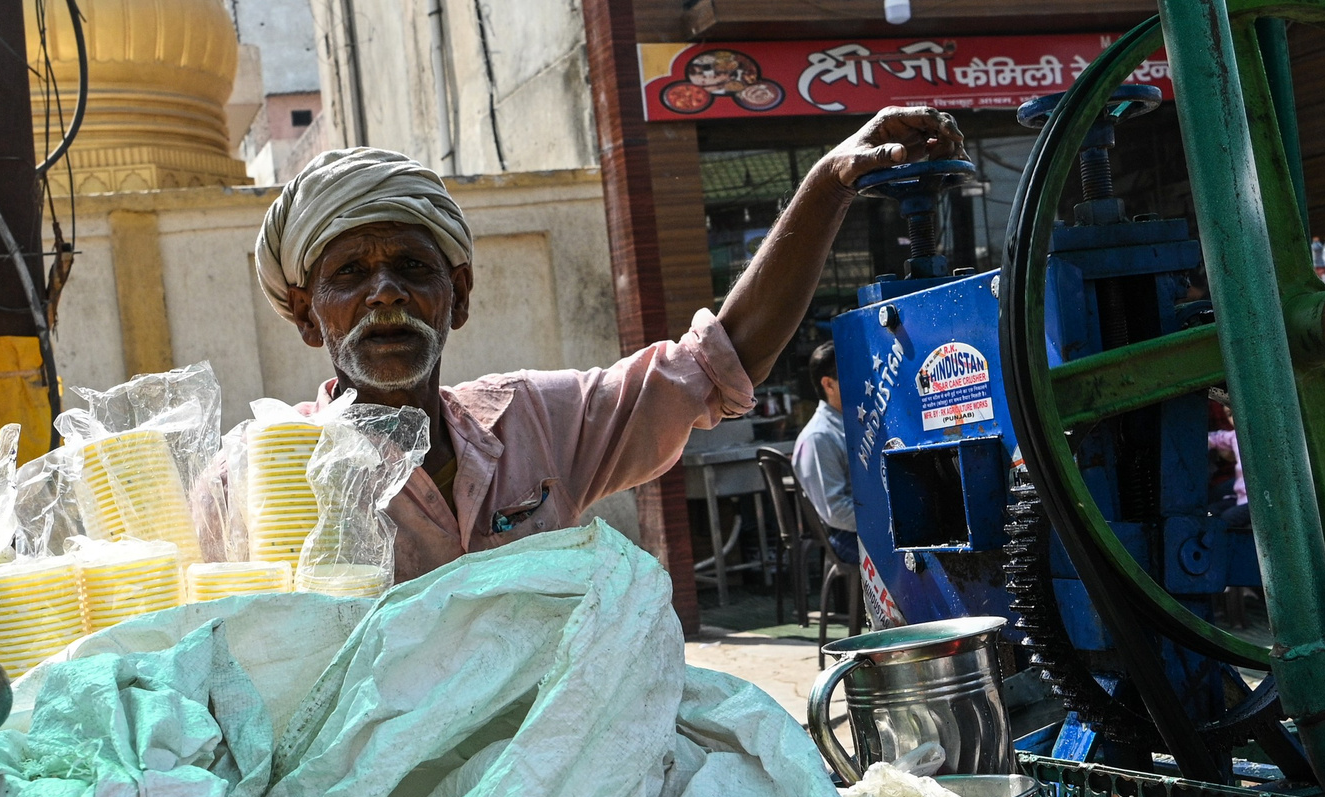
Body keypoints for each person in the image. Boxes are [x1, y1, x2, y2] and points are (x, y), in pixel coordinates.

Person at [251, 107, 965, 580]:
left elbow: (717, 364)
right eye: (349, 274)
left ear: (457, 297)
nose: (385, 293)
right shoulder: (265, 478)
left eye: (412, 267)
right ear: (307, 316)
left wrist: (829, 183)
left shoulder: (533, 424)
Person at [791, 337, 859, 570]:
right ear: (828, 385)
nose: (861, 381)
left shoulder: (855, 422)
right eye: (851, 375)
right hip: (846, 536)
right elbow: (835, 510)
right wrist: (885, 524)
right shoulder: (819, 436)